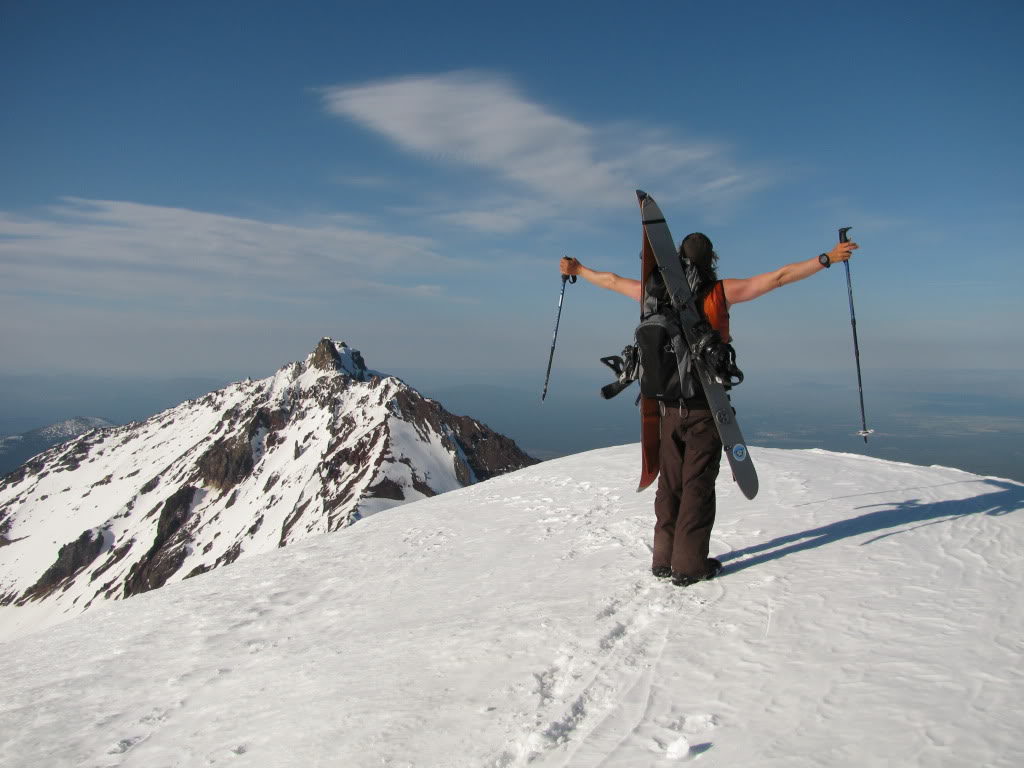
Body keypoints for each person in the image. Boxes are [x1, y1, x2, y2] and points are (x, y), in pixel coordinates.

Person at [559, 232, 859, 586]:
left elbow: (609, 281)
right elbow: (778, 278)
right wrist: (827, 258)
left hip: (667, 408)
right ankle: (688, 566)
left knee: (670, 484)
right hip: (705, 406)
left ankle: (663, 559)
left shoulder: (654, 295)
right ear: (711, 258)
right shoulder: (720, 292)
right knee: (697, 485)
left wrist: (578, 268)